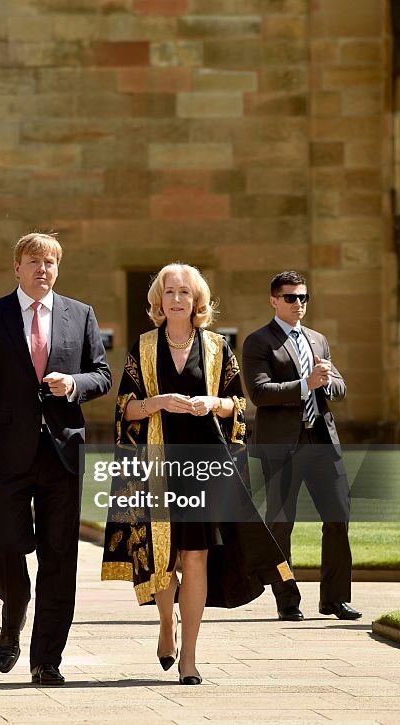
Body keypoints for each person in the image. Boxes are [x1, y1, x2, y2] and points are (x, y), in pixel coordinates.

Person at [100, 263, 293, 685]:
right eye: (169, 292)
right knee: (164, 557)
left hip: (205, 468)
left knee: (196, 555)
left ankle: (189, 655)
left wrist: (212, 402)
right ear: (159, 300)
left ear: (197, 300)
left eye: (184, 292)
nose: (176, 299)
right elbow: (125, 410)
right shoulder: (144, 347)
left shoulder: (218, 347)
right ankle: (166, 625)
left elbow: (239, 406)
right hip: (158, 468)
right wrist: (159, 402)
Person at [0, 232, 112, 686]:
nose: (42, 269)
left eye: (50, 262)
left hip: (63, 452)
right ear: (17, 267)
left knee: (59, 558)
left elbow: (102, 375)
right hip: (7, 453)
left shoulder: (80, 314)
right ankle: (14, 608)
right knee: (6, 544)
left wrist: (75, 384)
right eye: (34, 261)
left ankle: (47, 660)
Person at [242, 270, 360, 622]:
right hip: (283, 445)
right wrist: (305, 383)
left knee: (338, 517)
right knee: (281, 523)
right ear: (274, 300)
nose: (299, 304)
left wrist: (325, 383)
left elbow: (339, 388)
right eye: (291, 298)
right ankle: (287, 600)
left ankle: (336, 599)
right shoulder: (259, 342)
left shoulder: (318, 340)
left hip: (322, 441)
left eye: (303, 297)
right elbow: (259, 393)